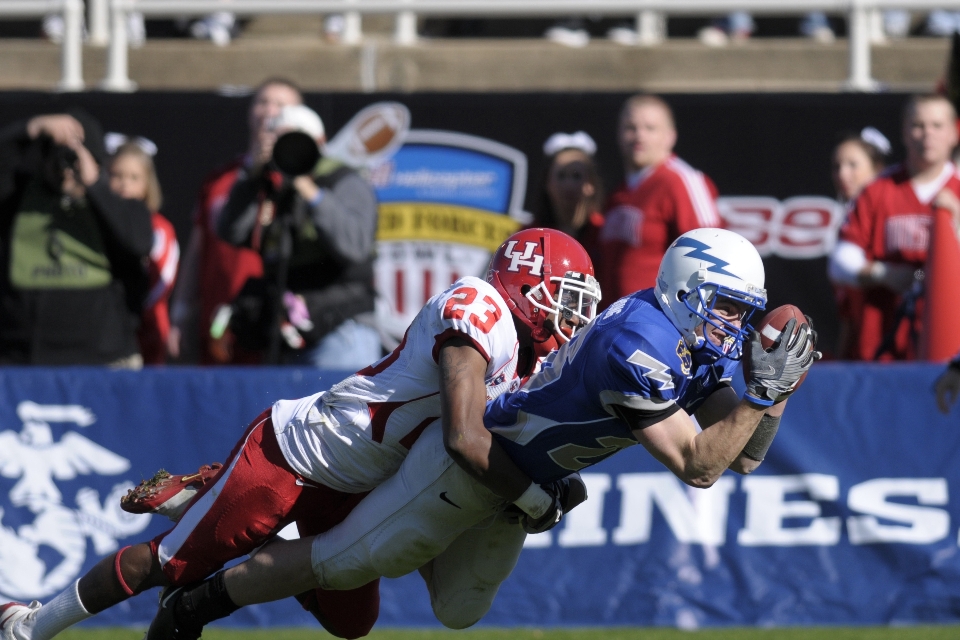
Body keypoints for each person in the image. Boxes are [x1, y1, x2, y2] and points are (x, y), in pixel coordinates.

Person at [136, 228, 820, 639]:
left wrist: (775, 394)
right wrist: (761, 392)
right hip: (473, 465)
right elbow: (700, 464)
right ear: (688, 288)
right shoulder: (635, 342)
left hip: (530, 481)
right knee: (340, 562)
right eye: (729, 306)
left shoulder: (696, 340)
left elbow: (745, 459)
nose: (734, 323)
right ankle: (200, 602)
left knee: (459, 610)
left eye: (744, 312)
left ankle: (374, 525)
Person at [0, 228, 601, 640]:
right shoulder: (481, 310)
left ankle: (222, 502)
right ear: (525, 281)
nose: (570, 319)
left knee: (352, 623)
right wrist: (528, 494)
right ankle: (30, 623)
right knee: (169, 565)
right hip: (296, 455)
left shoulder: (523, 356)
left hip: (359, 484)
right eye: (564, 300)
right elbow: (465, 440)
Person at [216, 103, 381, 369]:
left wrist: (309, 189)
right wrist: (250, 175)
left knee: (338, 410)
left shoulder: (341, 180)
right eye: (279, 141)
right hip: (287, 333)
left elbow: (356, 246)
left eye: (294, 140)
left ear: (319, 142)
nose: (287, 148)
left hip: (341, 330)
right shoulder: (270, 186)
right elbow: (230, 232)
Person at [0, 111, 152, 367]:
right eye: (57, 159)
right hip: (23, 356)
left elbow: (138, 242)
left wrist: (95, 185)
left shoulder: (118, 205)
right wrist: (30, 129)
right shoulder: (19, 197)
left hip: (100, 359)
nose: (68, 171)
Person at [168, 78, 301, 365]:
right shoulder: (220, 179)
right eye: (262, 102)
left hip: (278, 327)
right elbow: (198, 248)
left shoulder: (303, 183)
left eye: (280, 104)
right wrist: (181, 311)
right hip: (220, 324)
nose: (269, 110)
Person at [828, 94, 960, 361]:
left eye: (936, 125)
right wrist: (884, 273)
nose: (927, 134)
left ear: (954, 132)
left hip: (949, 350)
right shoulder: (878, 190)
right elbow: (840, 262)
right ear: (904, 132)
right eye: (918, 125)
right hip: (883, 346)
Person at [598, 93, 722, 305]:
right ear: (619, 134)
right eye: (630, 128)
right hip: (614, 321)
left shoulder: (682, 181)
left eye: (650, 128)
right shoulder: (619, 193)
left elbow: (712, 256)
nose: (639, 136)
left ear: (670, 136)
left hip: (657, 321)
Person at [107, 138, 180, 365]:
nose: (124, 184)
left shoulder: (159, 228)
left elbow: (163, 278)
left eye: (134, 178)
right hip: (107, 329)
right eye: (116, 175)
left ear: (148, 183)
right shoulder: (97, 224)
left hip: (147, 330)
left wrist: (135, 310)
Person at [827, 127, 890, 360]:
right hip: (860, 355)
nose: (843, 174)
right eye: (837, 166)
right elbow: (848, 316)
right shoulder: (846, 222)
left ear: (878, 170)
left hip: (891, 351)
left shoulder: (888, 220)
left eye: (853, 165)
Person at [533, 131, 606, 268]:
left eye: (576, 176)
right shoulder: (530, 236)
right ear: (547, 183)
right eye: (561, 176)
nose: (569, 185)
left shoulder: (605, 234)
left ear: (591, 185)